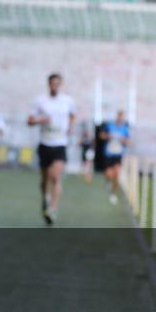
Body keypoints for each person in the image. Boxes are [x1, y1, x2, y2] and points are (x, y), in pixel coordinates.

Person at [27, 73, 76, 226]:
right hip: (44, 143)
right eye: (52, 84)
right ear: (48, 84)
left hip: (60, 143)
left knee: (55, 176)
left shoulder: (67, 101)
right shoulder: (40, 101)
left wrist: (70, 127)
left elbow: (73, 115)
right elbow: (29, 120)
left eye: (57, 84)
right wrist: (40, 120)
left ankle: (52, 209)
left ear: (60, 85)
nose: (54, 86)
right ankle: (45, 199)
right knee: (44, 180)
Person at [101, 110, 131, 205]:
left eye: (122, 117)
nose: (120, 118)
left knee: (117, 174)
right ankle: (108, 181)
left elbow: (129, 142)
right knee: (109, 174)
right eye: (119, 116)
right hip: (109, 154)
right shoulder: (110, 126)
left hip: (118, 155)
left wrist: (123, 140)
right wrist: (108, 136)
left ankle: (113, 194)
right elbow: (101, 135)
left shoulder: (125, 129)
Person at [79, 118, 95, 185]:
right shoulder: (83, 138)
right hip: (84, 153)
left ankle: (89, 177)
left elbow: (93, 145)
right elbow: (80, 144)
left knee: (89, 166)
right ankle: (86, 177)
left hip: (89, 154)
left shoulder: (90, 139)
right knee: (85, 166)